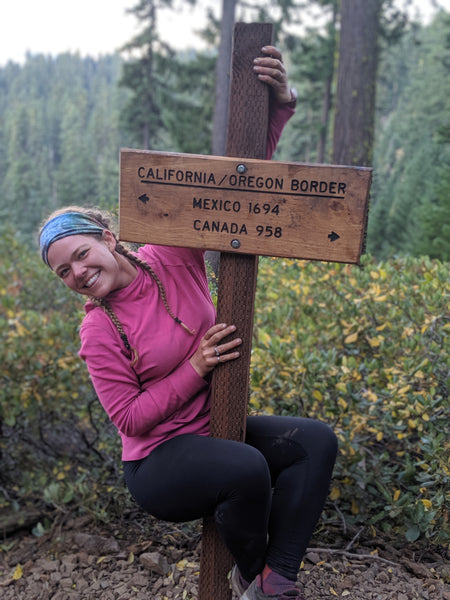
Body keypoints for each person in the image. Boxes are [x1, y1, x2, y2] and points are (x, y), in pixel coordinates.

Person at [39, 46, 337, 600]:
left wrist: (276, 108)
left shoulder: (170, 254)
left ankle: (276, 579)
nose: (77, 273)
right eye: (63, 273)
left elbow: (237, 198)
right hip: (158, 465)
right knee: (247, 467)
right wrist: (198, 366)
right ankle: (253, 576)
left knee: (314, 443)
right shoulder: (98, 329)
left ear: (107, 237)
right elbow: (129, 419)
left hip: (215, 432)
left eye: (80, 255)